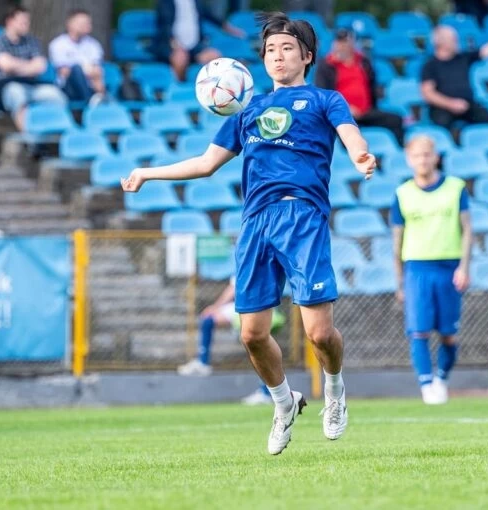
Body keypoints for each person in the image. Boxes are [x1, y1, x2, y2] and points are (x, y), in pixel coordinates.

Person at [123, 12, 376, 454]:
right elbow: (205, 164)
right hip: (256, 224)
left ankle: (334, 391)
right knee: (252, 334)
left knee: (319, 334)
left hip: (302, 218)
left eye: (287, 48)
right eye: (271, 50)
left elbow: (350, 133)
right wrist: (148, 172)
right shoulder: (248, 110)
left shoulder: (324, 99)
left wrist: (360, 155)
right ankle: (283, 403)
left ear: (307, 56)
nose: (277, 56)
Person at [391, 135, 472, 405]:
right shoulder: (402, 193)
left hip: (449, 266)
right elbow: (397, 240)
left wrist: (464, 267)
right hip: (417, 268)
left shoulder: (456, 188)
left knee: (449, 333)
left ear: (436, 157)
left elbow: (467, 230)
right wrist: (400, 281)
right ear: (409, 159)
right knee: (418, 330)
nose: (423, 160)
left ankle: (442, 379)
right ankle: (426, 385)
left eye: (427, 154)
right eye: (417, 155)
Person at [177, 278, 284, 406]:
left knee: (260, 346)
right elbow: (234, 286)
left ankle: (266, 392)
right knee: (208, 319)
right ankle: (203, 362)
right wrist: (216, 307)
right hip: (244, 305)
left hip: (263, 306)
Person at [420, 25, 488, 130]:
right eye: (453, 39)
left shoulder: (463, 58)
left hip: (467, 105)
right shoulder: (430, 65)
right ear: (440, 42)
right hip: (442, 108)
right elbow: (428, 93)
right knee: (441, 127)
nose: (457, 41)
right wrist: (451, 104)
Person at [314, 29, 404, 145]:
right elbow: (323, 95)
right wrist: (345, 108)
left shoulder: (363, 62)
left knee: (395, 120)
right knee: (347, 132)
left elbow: (372, 84)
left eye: (346, 42)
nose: (342, 46)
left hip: (366, 111)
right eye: (339, 42)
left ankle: (400, 150)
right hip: (343, 114)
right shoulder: (326, 65)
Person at [0, 6, 67, 131]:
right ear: (10, 21)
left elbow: (40, 66)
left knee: (56, 95)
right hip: (5, 86)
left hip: (32, 85)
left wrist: (16, 67)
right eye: (22, 22)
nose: (27, 25)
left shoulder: (32, 41)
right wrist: (29, 66)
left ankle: (53, 133)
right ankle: (27, 136)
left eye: (27, 22)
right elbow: (5, 65)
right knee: (18, 94)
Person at [150, 0, 245, 82]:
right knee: (180, 59)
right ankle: (180, 87)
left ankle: (213, 89)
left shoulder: (196, 1)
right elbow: (165, 28)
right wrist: (176, 46)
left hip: (194, 47)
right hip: (171, 46)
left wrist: (229, 28)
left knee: (215, 56)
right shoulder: (165, 2)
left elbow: (210, 16)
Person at [49, 9, 106, 105]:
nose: (87, 25)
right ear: (70, 24)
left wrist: (87, 71)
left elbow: (97, 71)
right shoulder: (58, 44)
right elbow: (64, 71)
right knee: (76, 69)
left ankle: (95, 100)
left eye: (88, 23)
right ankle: (91, 101)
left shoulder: (94, 44)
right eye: (82, 23)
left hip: (91, 86)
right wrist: (86, 69)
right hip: (67, 88)